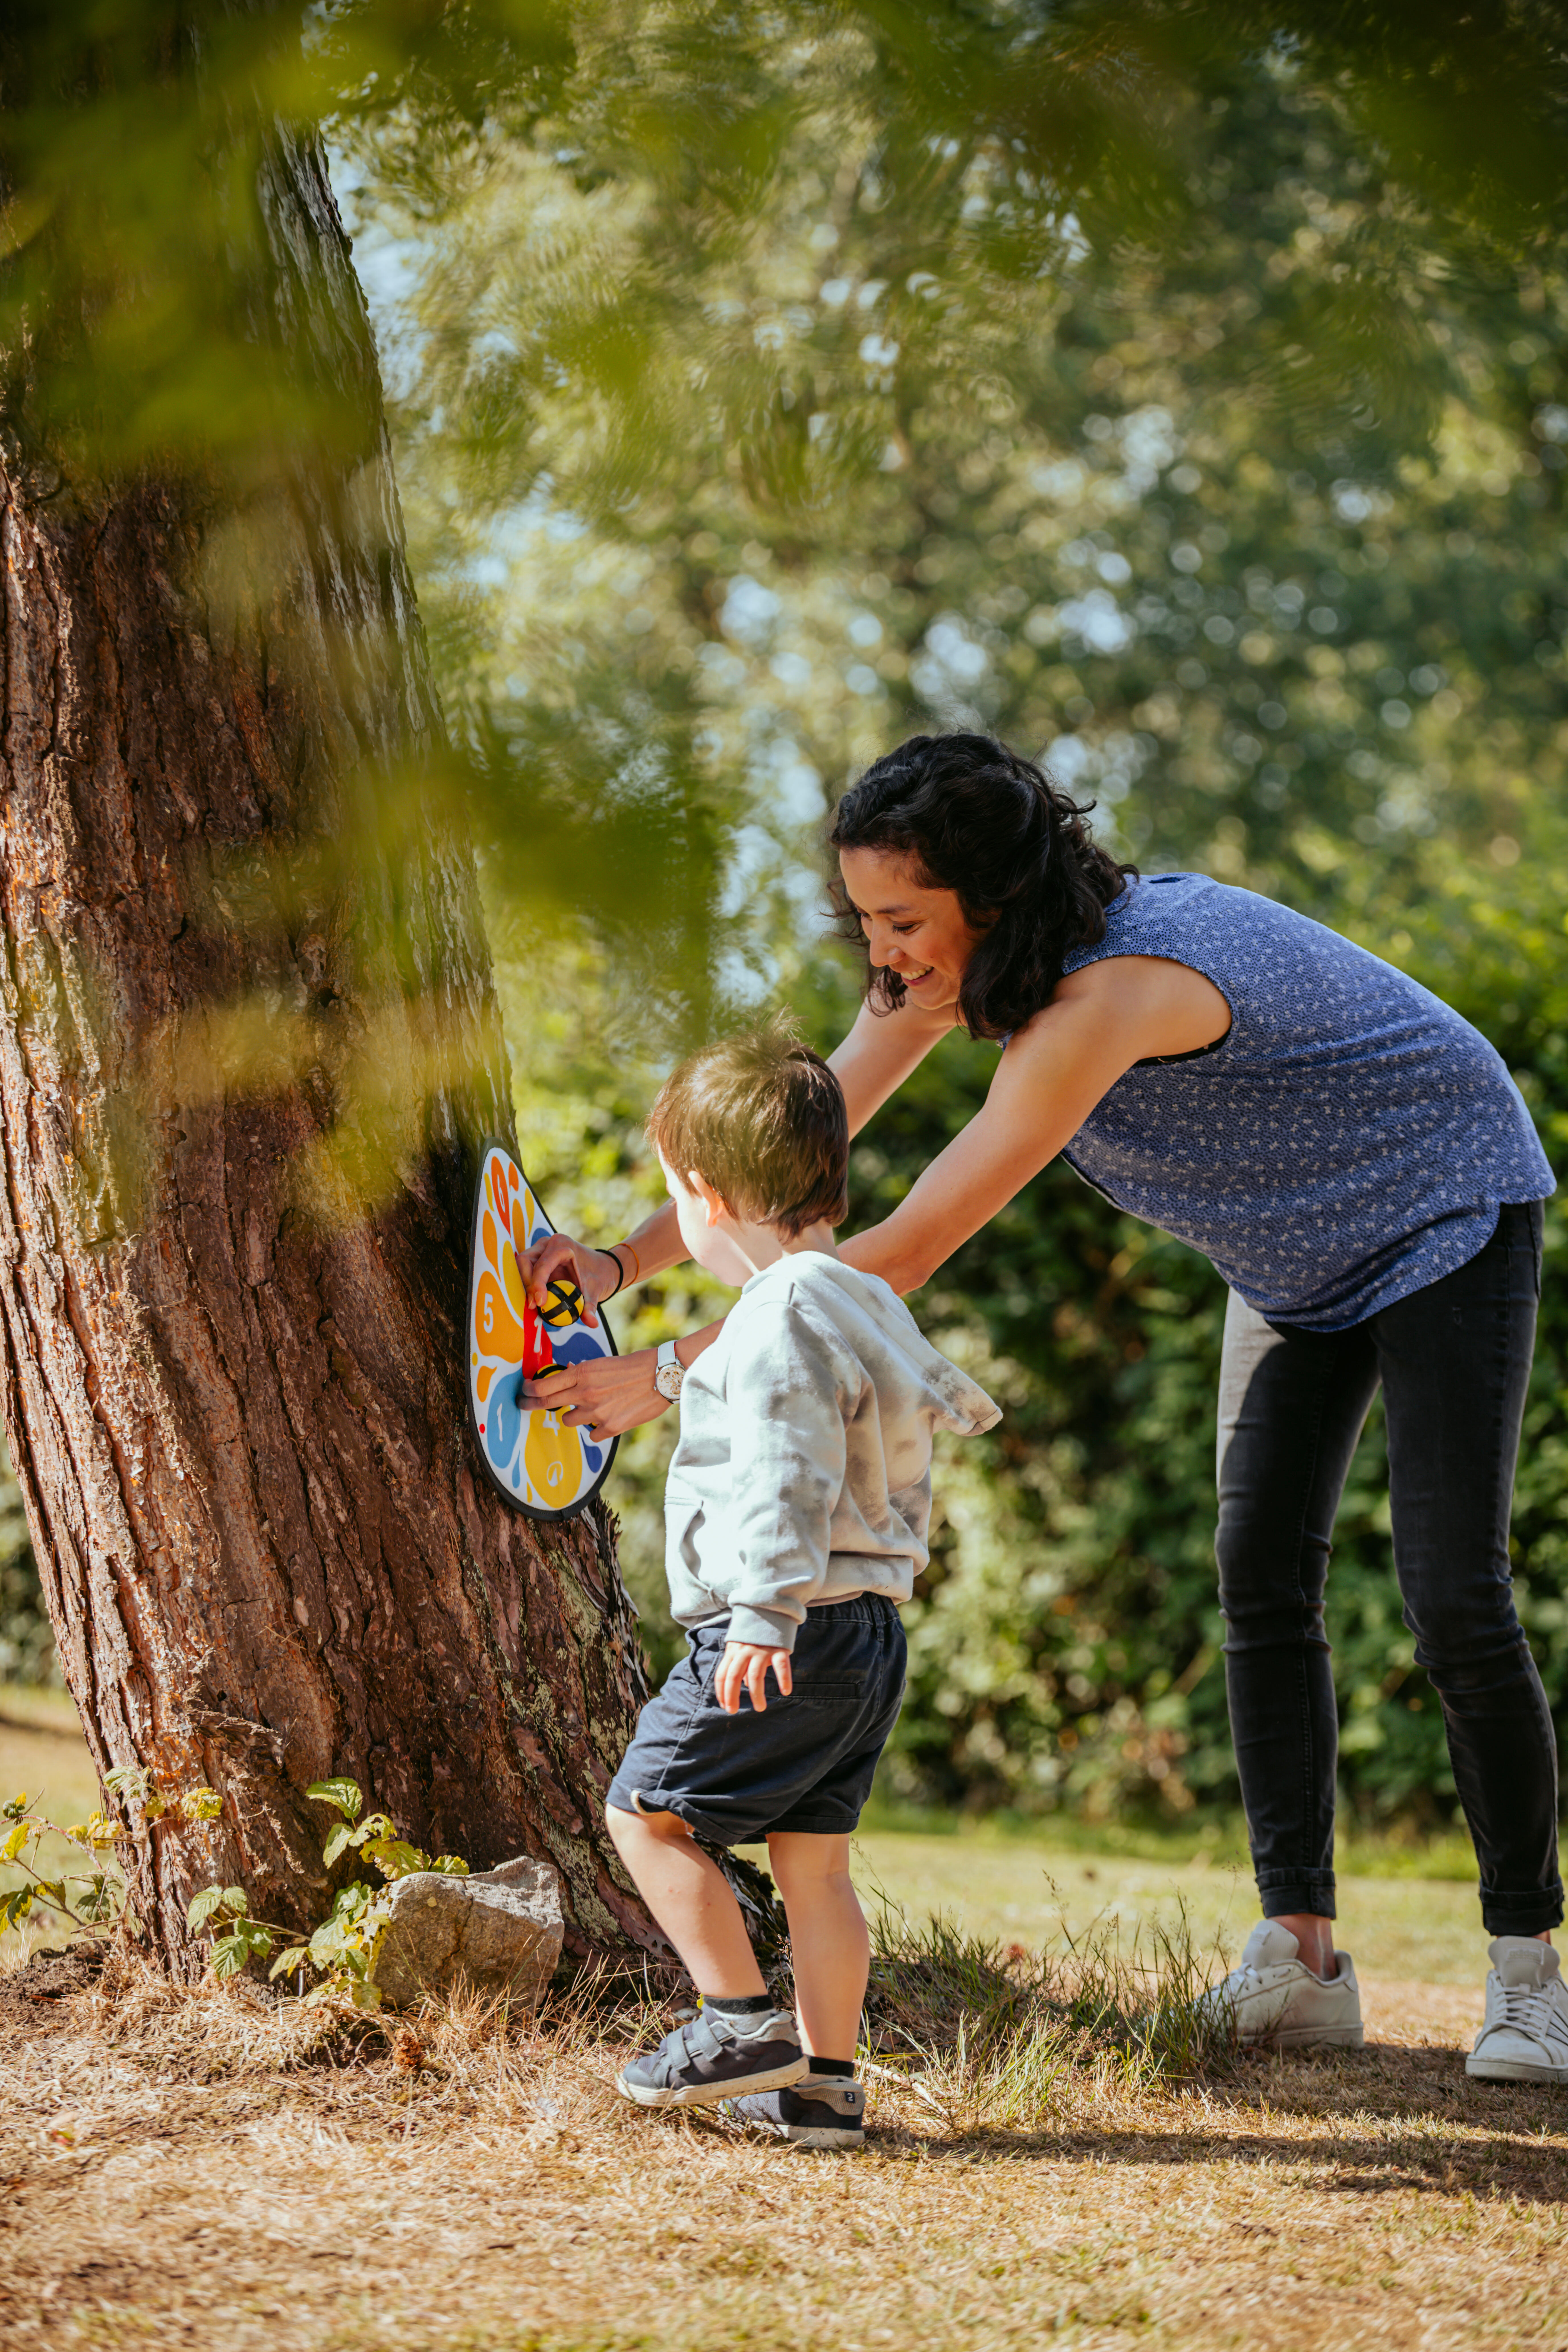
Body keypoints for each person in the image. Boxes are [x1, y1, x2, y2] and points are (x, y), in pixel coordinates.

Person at [524, 732, 1563, 2083]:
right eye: (864, 920)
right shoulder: (950, 976)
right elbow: (784, 1149)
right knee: (1260, 1580)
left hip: (1440, 1208)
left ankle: (1528, 1974)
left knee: (1450, 1592)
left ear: (994, 897)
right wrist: (618, 1263)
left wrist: (663, 1372)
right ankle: (1301, 1964)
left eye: (904, 920)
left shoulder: (1108, 997)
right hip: (1291, 1261)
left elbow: (898, 1254)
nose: (882, 953)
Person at [601, 1023, 999, 2149]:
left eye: (673, 1196)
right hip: (865, 1632)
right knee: (814, 1868)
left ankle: (735, 2026)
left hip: (785, 1624)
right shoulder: (861, 1296)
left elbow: (790, 1468)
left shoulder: (778, 1313)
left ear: (705, 1195)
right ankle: (823, 2088)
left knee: (645, 1815)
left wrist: (765, 1615)